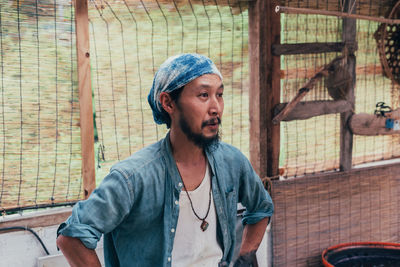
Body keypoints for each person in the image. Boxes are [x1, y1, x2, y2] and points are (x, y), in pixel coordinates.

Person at [56, 53, 274, 267]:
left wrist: (243, 260)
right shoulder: (133, 178)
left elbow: (261, 208)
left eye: (220, 94)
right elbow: (72, 237)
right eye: (203, 95)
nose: (216, 107)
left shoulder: (231, 161)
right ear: (168, 103)